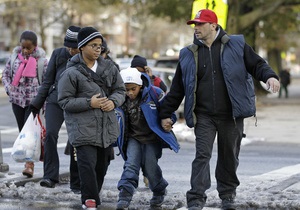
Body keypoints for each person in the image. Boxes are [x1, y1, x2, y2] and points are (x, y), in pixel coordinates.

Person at [159, 9, 280, 210]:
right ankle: (196, 197)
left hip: (231, 114)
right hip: (203, 115)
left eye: (200, 24)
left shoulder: (237, 45)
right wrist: (164, 113)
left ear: (213, 25)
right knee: (202, 155)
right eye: (194, 25)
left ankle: (227, 194)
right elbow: (178, 89)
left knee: (229, 156)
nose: (196, 28)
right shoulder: (188, 54)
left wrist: (270, 76)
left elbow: (257, 64)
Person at [57, 26, 126, 209]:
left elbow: (121, 90)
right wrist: (90, 103)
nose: (98, 49)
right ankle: (90, 201)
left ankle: (92, 197)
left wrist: (113, 102)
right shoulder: (71, 72)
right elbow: (64, 101)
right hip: (82, 129)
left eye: (100, 46)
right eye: (93, 45)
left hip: (105, 128)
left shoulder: (110, 68)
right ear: (81, 47)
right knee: (87, 166)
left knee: (101, 167)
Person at [116, 67, 179, 209]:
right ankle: (125, 194)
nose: (130, 93)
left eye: (133, 89)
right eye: (126, 89)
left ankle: (159, 190)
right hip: (133, 138)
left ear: (140, 86)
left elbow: (169, 111)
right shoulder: (119, 98)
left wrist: (169, 121)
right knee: (131, 165)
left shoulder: (155, 93)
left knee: (150, 167)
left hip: (152, 138)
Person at [29, 26, 81, 190]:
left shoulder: (84, 58)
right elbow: (47, 81)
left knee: (76, 140)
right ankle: (50, 176)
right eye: (69, 47)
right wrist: (37, 102)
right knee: (50, 134)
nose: (71, 50)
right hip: (55, 101)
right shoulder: (59, 54)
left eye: (75, 47)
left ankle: (77, 179)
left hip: (75, 104)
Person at [1, 30, 48, 178]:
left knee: (30, 134)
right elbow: (6, 75)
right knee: (22, 131)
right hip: (17, 101)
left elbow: (46, 82)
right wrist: (9, 89)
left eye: (29, 48)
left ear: (35, 46)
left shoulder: (42, 61)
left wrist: (42, 101)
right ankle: (28, 160)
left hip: (33, 102)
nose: (26, 50)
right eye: (23, 47)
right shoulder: (14, 57)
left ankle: (29, 165)